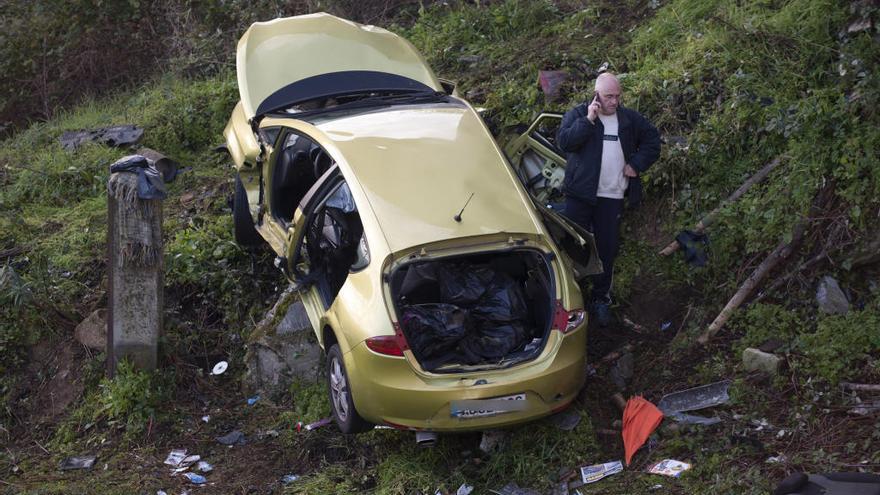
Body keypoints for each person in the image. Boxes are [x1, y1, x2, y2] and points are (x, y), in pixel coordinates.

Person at [556, 72, 660, 326]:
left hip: (611, 196)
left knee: (606, 249)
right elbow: (564, 142)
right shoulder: (579, 114)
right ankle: (569, 297)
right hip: (580, 195)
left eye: (617, 96)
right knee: (570, 246)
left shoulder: (628, 119)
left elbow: (653, 141)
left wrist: (636, 164)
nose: (614, 101)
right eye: (608, 96)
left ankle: (600, 298)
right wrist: (589, 120)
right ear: (596, 95)